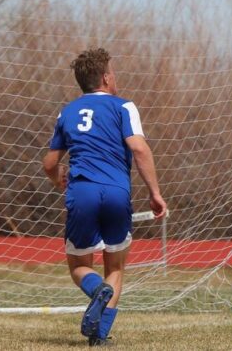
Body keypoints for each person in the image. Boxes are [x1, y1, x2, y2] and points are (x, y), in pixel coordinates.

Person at [42, 48, 167, 347]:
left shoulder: (67, 111)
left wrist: (59, 179)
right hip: (116, 191)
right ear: (107, 77)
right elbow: (138, 148)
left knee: (78, 266)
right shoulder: (124, 107)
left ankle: (96, 289)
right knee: (116, 267)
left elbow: (49, 164)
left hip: (82, 190)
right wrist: (155, 193)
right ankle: (99, 336)